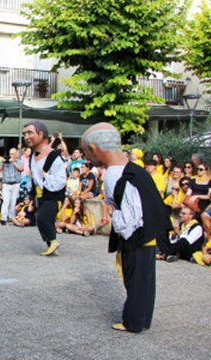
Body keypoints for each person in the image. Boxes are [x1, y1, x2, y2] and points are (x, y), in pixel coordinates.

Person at [81, 122, 171, 333]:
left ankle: (133, 321)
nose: (87, 156)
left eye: (87, 151)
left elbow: (130, 216)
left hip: (135, 236)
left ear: (94, 148)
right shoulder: (135, 169)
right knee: (145, 281)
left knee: (135, 281)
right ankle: (142, 319)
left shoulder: (114, 174)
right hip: (148, 234)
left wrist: (114, 215)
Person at [23, 120, 66, 256]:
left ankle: (53, 242)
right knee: (41, 219)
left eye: (30, 133)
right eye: (24, 134)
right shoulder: (32, 158)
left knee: (43, 218)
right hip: (40, 195)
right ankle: (51, 244)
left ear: (41, 134)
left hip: (53, 195)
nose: (26, 137)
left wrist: (46, 177)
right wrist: (31, 195)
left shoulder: (54, 156)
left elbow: (61, 181)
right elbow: (33, 178)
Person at [0, 147, 24, 225]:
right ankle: (3, 218)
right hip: (6, 183)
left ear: (16, 154)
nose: (11, 155)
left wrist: (14, 162)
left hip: (16, 183)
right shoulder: (5, 162)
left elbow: (21, 169)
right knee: (6, 201)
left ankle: (11, 217)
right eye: (10, 154)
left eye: (13, 154)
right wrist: (2, 162)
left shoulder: (19, 161)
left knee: (13, 201)